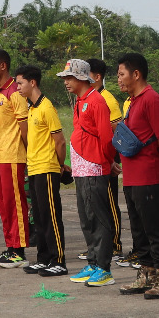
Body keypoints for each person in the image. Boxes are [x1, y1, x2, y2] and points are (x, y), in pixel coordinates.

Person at [113, 53, 159, 298]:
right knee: (139, 231)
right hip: (131, 177)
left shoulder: (151, 99)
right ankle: (146, 274)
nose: (118, 79)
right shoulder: (132, 101)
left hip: (149, 177)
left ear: (136, 74)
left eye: (121, 74)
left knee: (155, 230)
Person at [60, 59, 118, 287]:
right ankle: (93, 262)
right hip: (82, 168)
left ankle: (104, 267)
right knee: (86, 217)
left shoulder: (96, 101)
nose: (66, 82)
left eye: (70, 77)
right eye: (65, 78)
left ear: (83, 78)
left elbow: (106, 138)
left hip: (94, 167)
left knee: (99, 218)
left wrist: (107, 162)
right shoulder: (80, 101)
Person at [16, 65, 69, 277]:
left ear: (32, 82)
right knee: (38, 216)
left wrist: (58, 165)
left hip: (47, 168)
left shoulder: (47, 107)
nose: (18, 87)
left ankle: (59, 260)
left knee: (51, 217)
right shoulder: (32, 108)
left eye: (20, 83)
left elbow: (60, 141)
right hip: (35, 168)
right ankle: (43, 258)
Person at [0, 49, 32, 267]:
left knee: (16, 204)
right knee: (3, 204)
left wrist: (28, 152)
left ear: (3, 66)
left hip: (13, 156)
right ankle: (10, 246)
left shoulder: (14, 92)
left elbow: (24, 127)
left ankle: (19, 250)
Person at [88, 57, 125, 266]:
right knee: (97, 205)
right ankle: (101, 244)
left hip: (107, 157)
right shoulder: (90, 97)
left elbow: (116, 128)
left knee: (110, 202)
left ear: (97, 76)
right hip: (95, 159)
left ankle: (115, 245)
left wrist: (111, 158)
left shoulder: (107, 99)